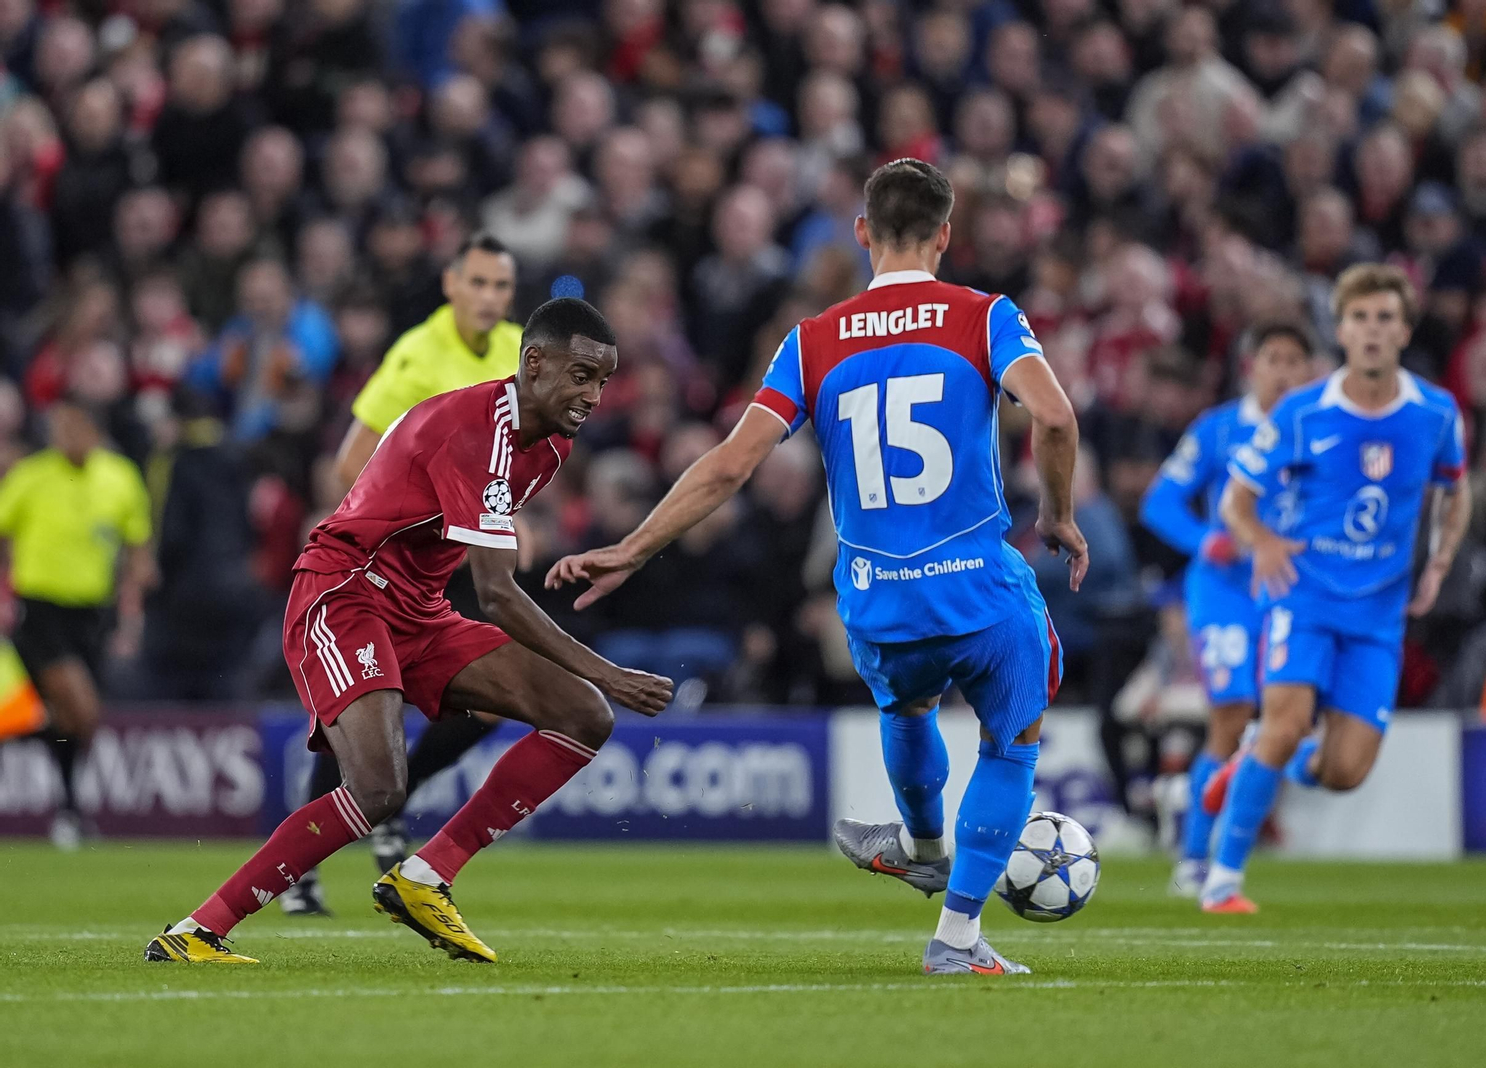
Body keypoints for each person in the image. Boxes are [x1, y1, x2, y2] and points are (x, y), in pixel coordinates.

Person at [548, 159, 1089, 976]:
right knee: (1011, 745)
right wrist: (1058, 514)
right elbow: (1053, 416)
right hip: (978, 585)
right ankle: (955, 939)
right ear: (946, 235)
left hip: (878, 602)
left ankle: (919, 841)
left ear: (863, 233)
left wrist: (631, 548)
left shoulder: (812, 341)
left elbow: (730, 467)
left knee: (909, 711)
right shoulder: (985, 317)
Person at [144, 298, 673, 965]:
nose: (593, 395)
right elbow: (496, 594)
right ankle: (196, 931)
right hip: (344, 593)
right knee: (378, 789)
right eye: (581, 375)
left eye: (602, 380)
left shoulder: (549, 449)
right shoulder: (475, 428)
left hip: (418, 610)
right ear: (534, 363)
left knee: (581, 715)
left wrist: (594, 683)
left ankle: (425, 877)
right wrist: (609, 669)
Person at [1200, 264, 1470, 912]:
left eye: (1385, 318)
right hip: (1304, 593)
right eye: (1360, 318)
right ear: (1342, 329)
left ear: (1403, 330)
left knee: (1345, 772)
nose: (1372, 331)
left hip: (1379, 612)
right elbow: (1238, 500)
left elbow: (1455, 493)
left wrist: (1438, 563)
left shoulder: (1435, 412)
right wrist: (1261, 541)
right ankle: (1222, 880)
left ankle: (1257, 760)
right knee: (1287, 721)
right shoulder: (1302, 412)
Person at [281, 231, 525, 917]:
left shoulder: (514, 350)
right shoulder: (418, 355)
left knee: (489, 700)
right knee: (361, 710)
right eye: (477, 283)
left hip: (444, 564)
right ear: (451, 285)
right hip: (381, 564)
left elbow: (502, 462)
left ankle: (391, 805)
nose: (488, 298)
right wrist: (447, 513)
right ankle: (306, 868)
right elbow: (347, 461)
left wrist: (502, 516)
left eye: (500, 287)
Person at [1138, 323, 1314, 897]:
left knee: (1288, 719)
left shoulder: (1318, 431)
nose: (1284, 371)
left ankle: (1217, 813)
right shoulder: (1218, 430)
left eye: (1295, 360)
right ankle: (1194, 858)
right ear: (1251, 368)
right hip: (1224, 593)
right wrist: (1202, 541)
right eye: (1274, 358)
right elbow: (1159, 501)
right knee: (1231, 716)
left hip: (1289, 588)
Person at [0, 400, 153, 850]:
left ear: (92, 428)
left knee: (71, 719)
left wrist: (131, 609)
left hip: (93, 614)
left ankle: (68, 808)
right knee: (81, 708)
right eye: (57, 426)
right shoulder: (30, 477)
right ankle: (66, 803)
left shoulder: (119, 477)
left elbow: (137, 548)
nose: (64, 435)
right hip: (40, 610)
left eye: (72, 425)